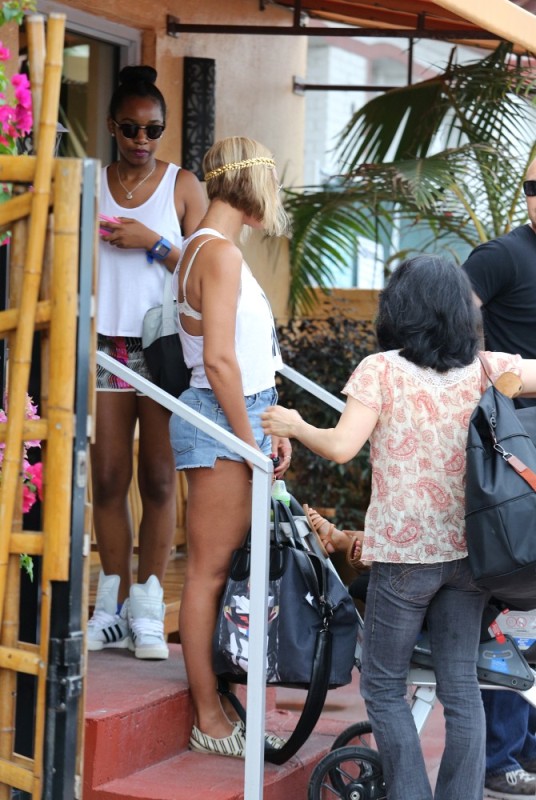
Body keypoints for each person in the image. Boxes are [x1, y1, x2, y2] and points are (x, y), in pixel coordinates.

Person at [261, 254, 536, 800]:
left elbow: (341, 447)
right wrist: (507, 387)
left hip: (404, 557)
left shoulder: (380, 369)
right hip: (471, 556)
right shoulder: (487, 368)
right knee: (461, 688)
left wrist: (295, 423)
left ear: (400, 309)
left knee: (384, 685)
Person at [169, 136, 292, 757]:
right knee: (210, 574)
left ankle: (221, 706)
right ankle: (208, 717)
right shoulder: (217, 253)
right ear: (250, 185)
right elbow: (218, 360)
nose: (276, 198)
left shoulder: (206, 247)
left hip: (236, 415)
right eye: (272, 183)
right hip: (223, 419)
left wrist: (270, 428)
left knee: (224, 573)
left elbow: (244, 356)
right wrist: (252, 443)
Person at [88, 65, 206, 660]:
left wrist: (153, 243)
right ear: (113, 126)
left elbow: (207, 267)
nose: (142, 139)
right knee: (109, 479)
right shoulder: (93, 183)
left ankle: (148, 610)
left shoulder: (181, 185)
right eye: (131, 128)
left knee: (158, 479)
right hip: (107, 344)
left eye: (153, 129)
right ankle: (110, 607)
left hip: (160, 348)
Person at [463, 159, 536, 800]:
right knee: (515, 591)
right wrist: (491, 383)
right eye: (534, 186)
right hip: (515, 451)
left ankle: (527, 748)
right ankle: (499, 755)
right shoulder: (503, 255)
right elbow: (444, 322)